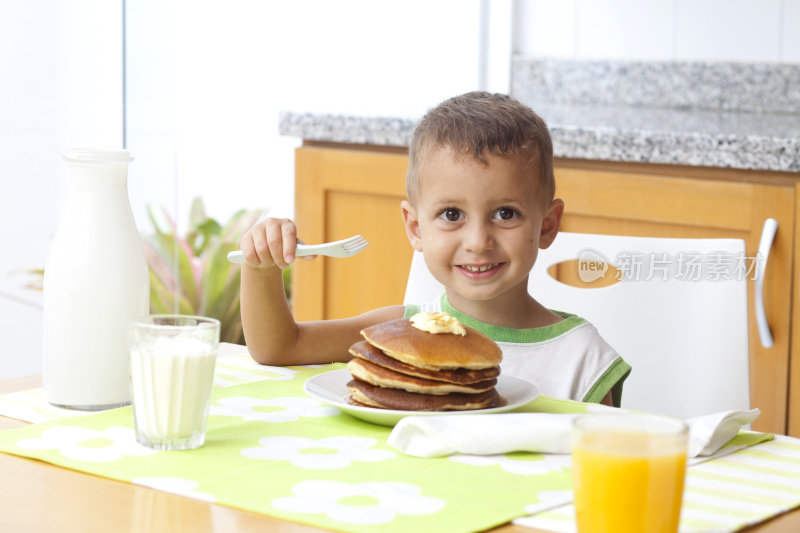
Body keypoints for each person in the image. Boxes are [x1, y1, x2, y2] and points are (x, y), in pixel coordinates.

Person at [238, 91, 631, 407]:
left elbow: (604, 461)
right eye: (451, 214)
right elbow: (279, 347)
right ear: (415, 227)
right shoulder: (400, 334)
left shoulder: (581, 357)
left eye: (505, 213)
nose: (478, 241)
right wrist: (260, 269)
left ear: (547, 225)